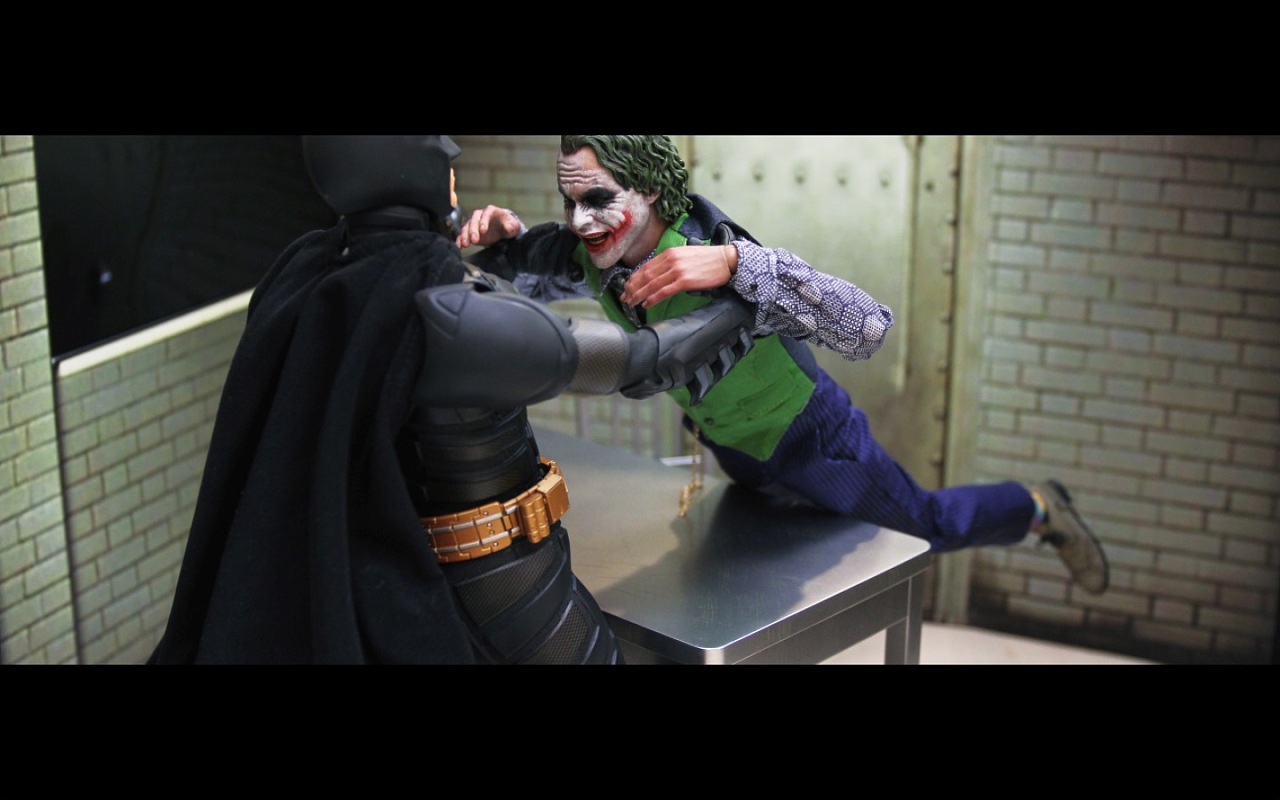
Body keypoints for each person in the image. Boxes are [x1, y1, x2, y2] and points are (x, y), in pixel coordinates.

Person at [147, 135, 756, 664]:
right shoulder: (447, 313)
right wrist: (744, 283)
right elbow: (646, 360)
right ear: (416, 169)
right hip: (505, 584)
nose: (454, 156)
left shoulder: (309, 275)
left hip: (401, 576)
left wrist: (498, 252)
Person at [457, 134, 1110, 595]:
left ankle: (1035, 507)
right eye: (568, 201)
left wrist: (740, 263)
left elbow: (868, 327)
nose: (580, 221)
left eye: (599, 198)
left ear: (650, 189)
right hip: (734, 450)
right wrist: (498, 242)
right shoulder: (589, 250)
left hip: (816, 438)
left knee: (926, 525)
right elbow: (520, 283)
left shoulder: (717, 251)